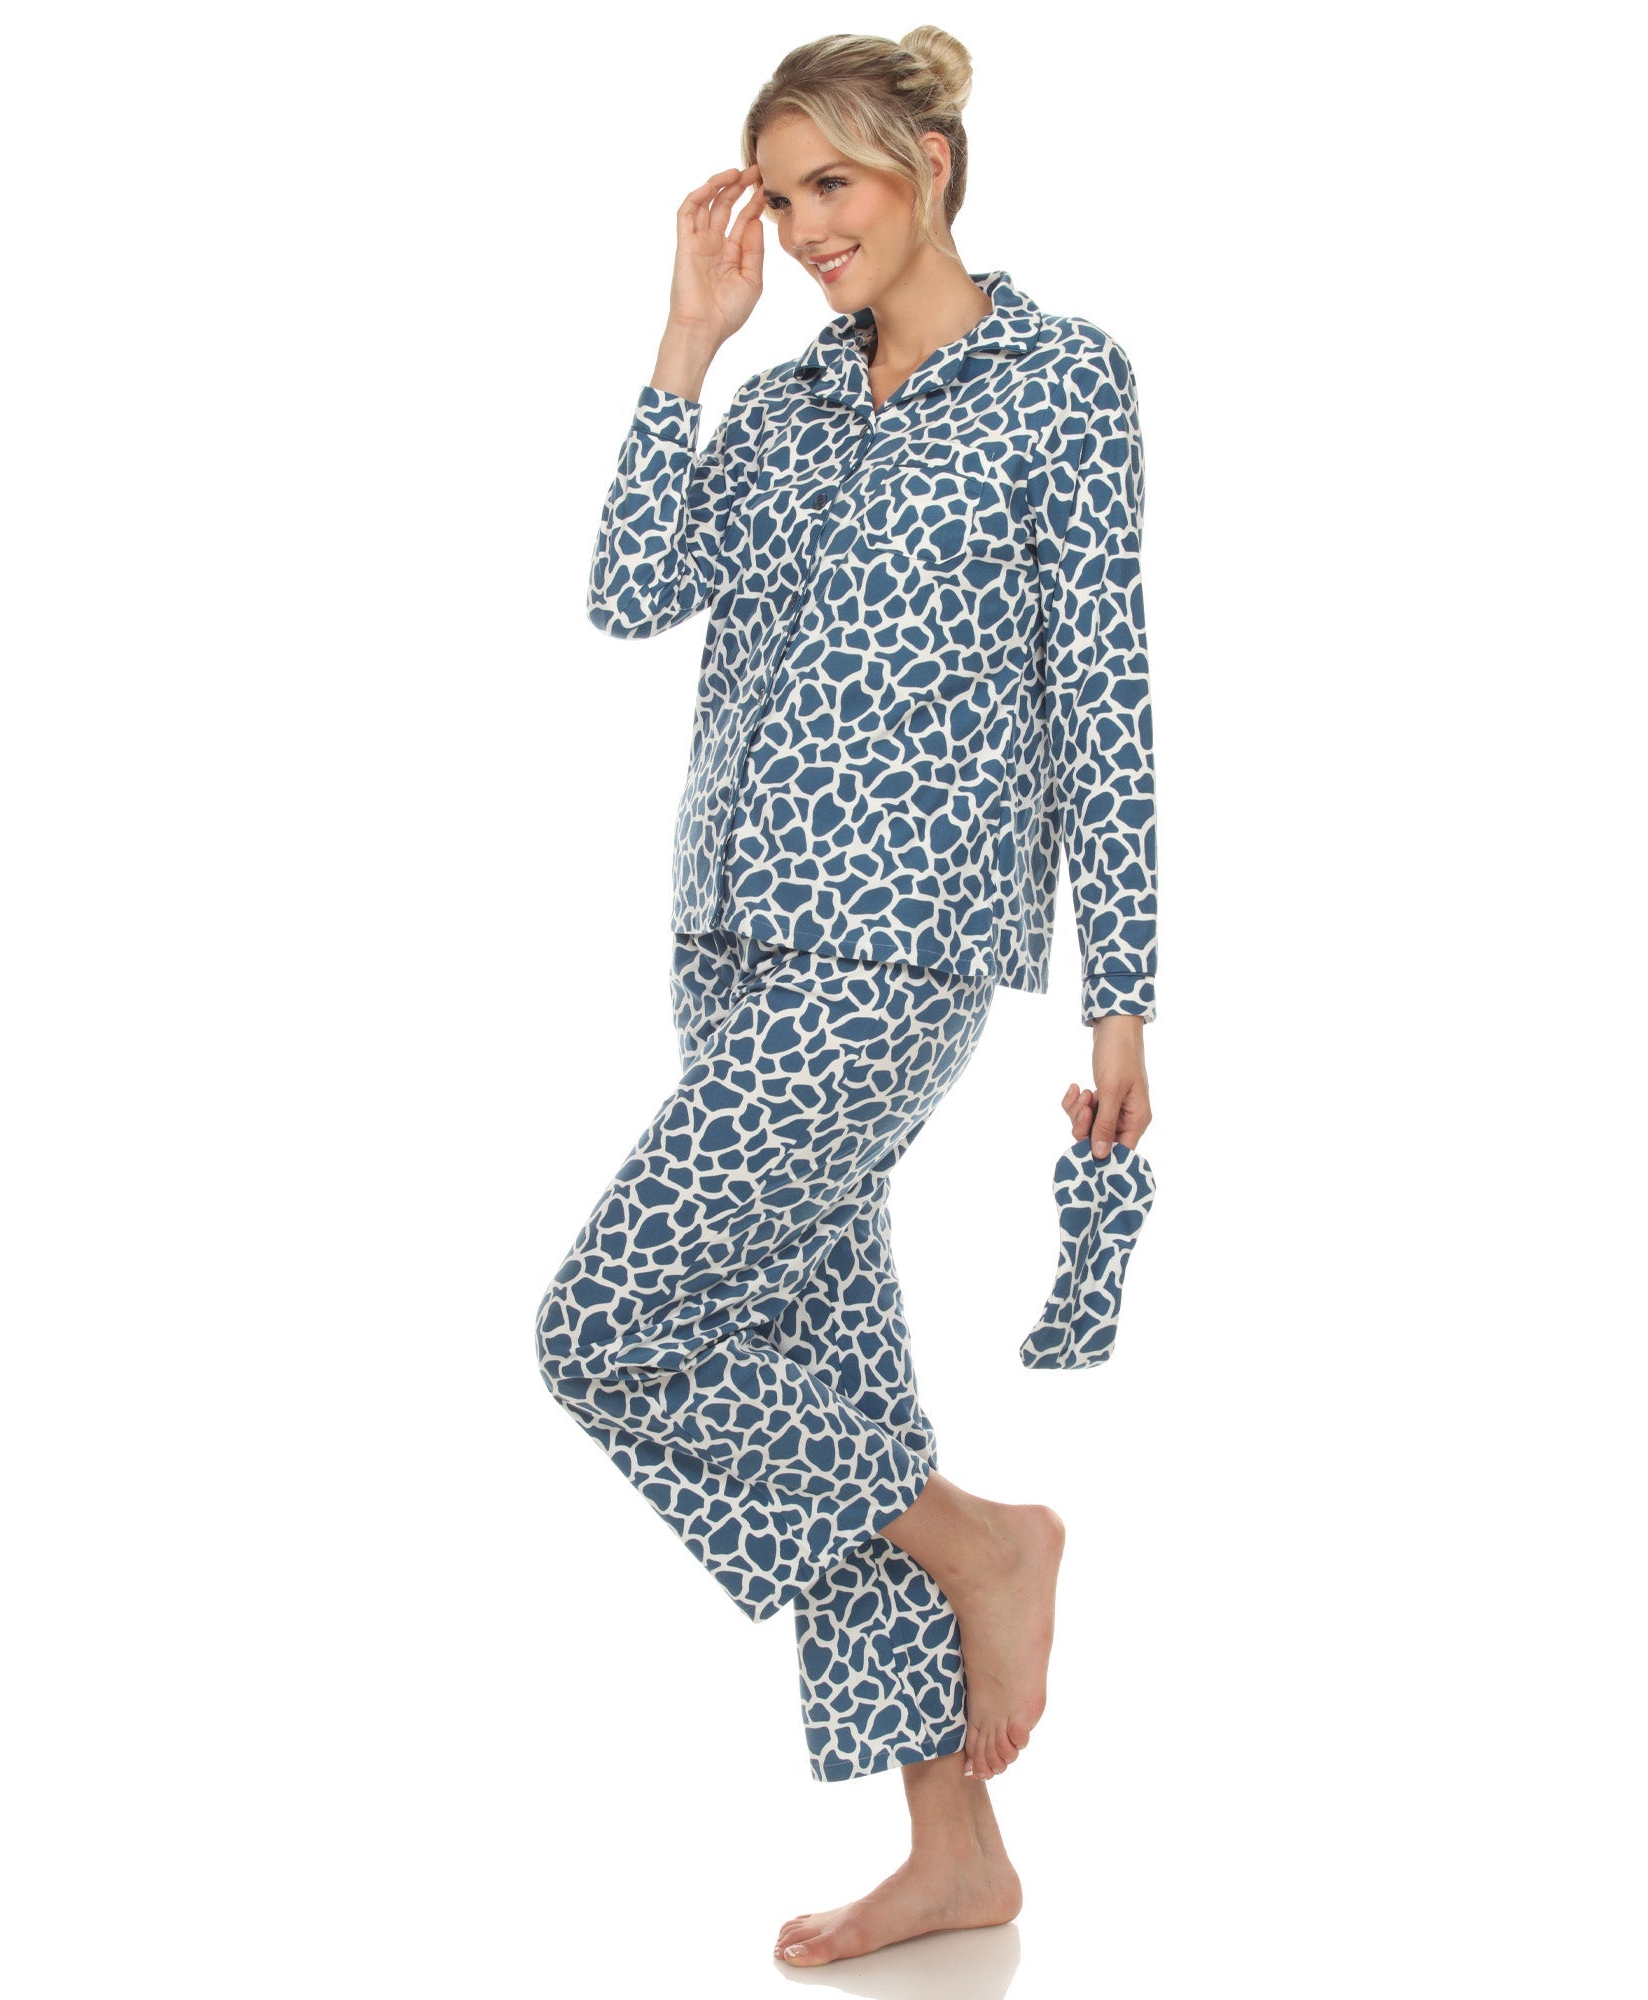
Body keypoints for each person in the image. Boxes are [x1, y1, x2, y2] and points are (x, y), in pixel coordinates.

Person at [534, 25, 1159, 1969]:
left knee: (606, 1327)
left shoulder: (1061, 383)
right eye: (781, 194)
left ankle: (983, 1540)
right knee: (823, 1370)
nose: (807, 228)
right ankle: (954, 1850)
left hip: (897, 942)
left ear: (931, 165)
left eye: (836, 185)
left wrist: (1124, 997)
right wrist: (685, 343)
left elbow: (1107, 694)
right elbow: (629, 592)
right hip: (726, 932)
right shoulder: (788, 398)